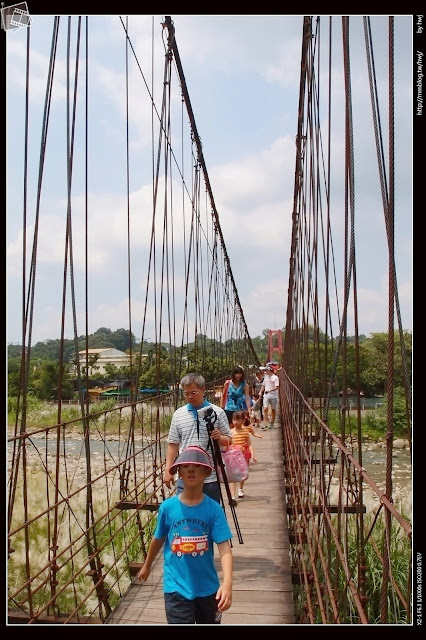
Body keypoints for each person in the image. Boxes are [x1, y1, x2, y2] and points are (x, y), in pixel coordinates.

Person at [137, 445, 233, 624]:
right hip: (176, 588)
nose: (191, 469)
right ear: (179, 472)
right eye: (185, 466)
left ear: (206, 472)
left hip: (208, 588)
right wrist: (147, 565)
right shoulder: (168, 507)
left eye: (197, 466)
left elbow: (224, 547)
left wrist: (227, 582)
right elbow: (158, 539)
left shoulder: (214, 510)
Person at [164, 372, 232, 505]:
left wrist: (219, 438)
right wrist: (168, 470)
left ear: (203, 390)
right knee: (185, 516)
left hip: (210, 477)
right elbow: (173, 444)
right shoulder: (178, 414)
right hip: (184, 476)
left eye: (193, 393)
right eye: (186, 393)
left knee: (210, 517)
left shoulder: (217, 412)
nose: (189, 397)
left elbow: (229, 440)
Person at [228, 411, 256, 501]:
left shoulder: (245, 432)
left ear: (243, 420)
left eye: (238, 420)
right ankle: (232, 496)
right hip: (233, 456)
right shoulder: (230, 432)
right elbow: (226, 444)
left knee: (241, 474)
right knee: (233, 475)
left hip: (243, 456)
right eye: (234, 420)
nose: (235, 422)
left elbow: (249, 444)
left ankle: (240, 489)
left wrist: (253, 455)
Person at [261, 365, 280, 430]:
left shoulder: (275, 378)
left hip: (273, 396)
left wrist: (270, 390)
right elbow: (263, 385)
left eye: (266, 370)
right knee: (265, 408)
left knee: (273, 410)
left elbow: (277, 387)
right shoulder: (265, 377)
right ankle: (265, 423)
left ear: (270, 370)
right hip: (266, 395)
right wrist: (261, 392)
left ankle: (272, 423)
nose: (265, 372)